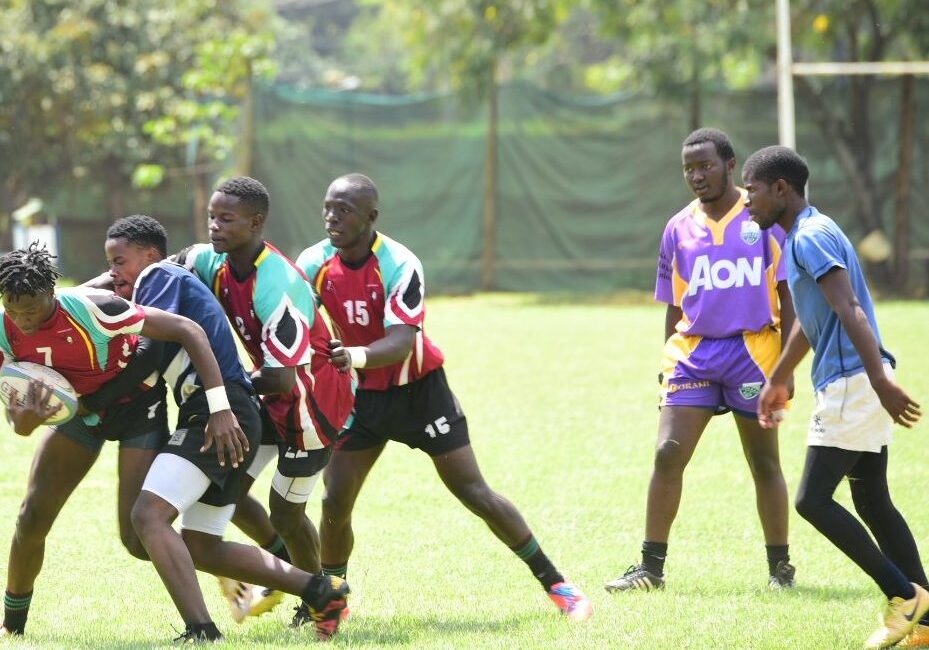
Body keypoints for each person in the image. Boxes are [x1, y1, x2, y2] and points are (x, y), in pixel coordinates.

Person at [295, 173, 591, 620]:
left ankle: (559, 586)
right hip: (360, 397)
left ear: (371, 217)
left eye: (345, 209)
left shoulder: (399, 263)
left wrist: (350, 354)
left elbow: (401, 341)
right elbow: (296, 318)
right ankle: (331, 601)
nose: (332, 216)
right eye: (328, 206)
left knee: (472, 491)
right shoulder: (314, 261)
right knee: (335, 501)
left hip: (420, 394)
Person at [91, 215, 352, 642]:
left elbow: (148, 352)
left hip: (218, 413)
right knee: (201, 545)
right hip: (230, 410)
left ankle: (201, 630)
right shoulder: (162, 277)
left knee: (148, 515)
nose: (112, 273)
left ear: (151, 256)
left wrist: (92, 396)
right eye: (108, 265)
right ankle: (322, 590)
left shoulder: (159, 277)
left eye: (119, 262)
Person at [0, 243, 247, 644]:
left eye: (31, 309)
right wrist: (25, 419)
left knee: (139, 537)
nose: (23, 320)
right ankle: (10, 627)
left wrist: (220, 406)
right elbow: (17, 416)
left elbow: (187, 330)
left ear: (52, 293)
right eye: (14, 310)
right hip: (76, 417)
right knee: (31, 518)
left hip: (136, 409)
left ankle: (228, 575)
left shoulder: (96, 309)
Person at [746, 145, 929, 650]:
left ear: (780, 189)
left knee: (811, 500)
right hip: (852, 380)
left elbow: (850, 307)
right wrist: (780, 375)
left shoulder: (810, 235)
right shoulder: (803, 237)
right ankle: (928, 621)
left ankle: (903, 595)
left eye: (752, 191)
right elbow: (812, 315)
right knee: (874, 500)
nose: (746, 202)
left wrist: (879, 380)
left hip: (854, 381)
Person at [605, 128, 796, 593]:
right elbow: (674, 303)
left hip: (755, 354)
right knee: (667, 454)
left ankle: (780, 569)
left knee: (763, 463)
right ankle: (651, 569)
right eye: (689, 168)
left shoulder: (763, 222)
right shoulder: (677, 228)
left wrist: (786, 370)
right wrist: (667, 358)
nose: (696, 175)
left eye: (706, 165)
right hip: (694, 356)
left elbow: (788, 295)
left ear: (730, 165)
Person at [172, 177, 355, 627]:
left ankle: (321, 601)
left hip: (309, 406)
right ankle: (287, 577)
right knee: (228, 487)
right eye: (212, 216)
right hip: (269, 397)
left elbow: (279, 376)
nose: (214, 226)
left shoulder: (278, 283)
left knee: (287, 512)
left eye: (225, 219)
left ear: (256, 222)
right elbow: (170, 265)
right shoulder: (213, 259)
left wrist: (221, 393)